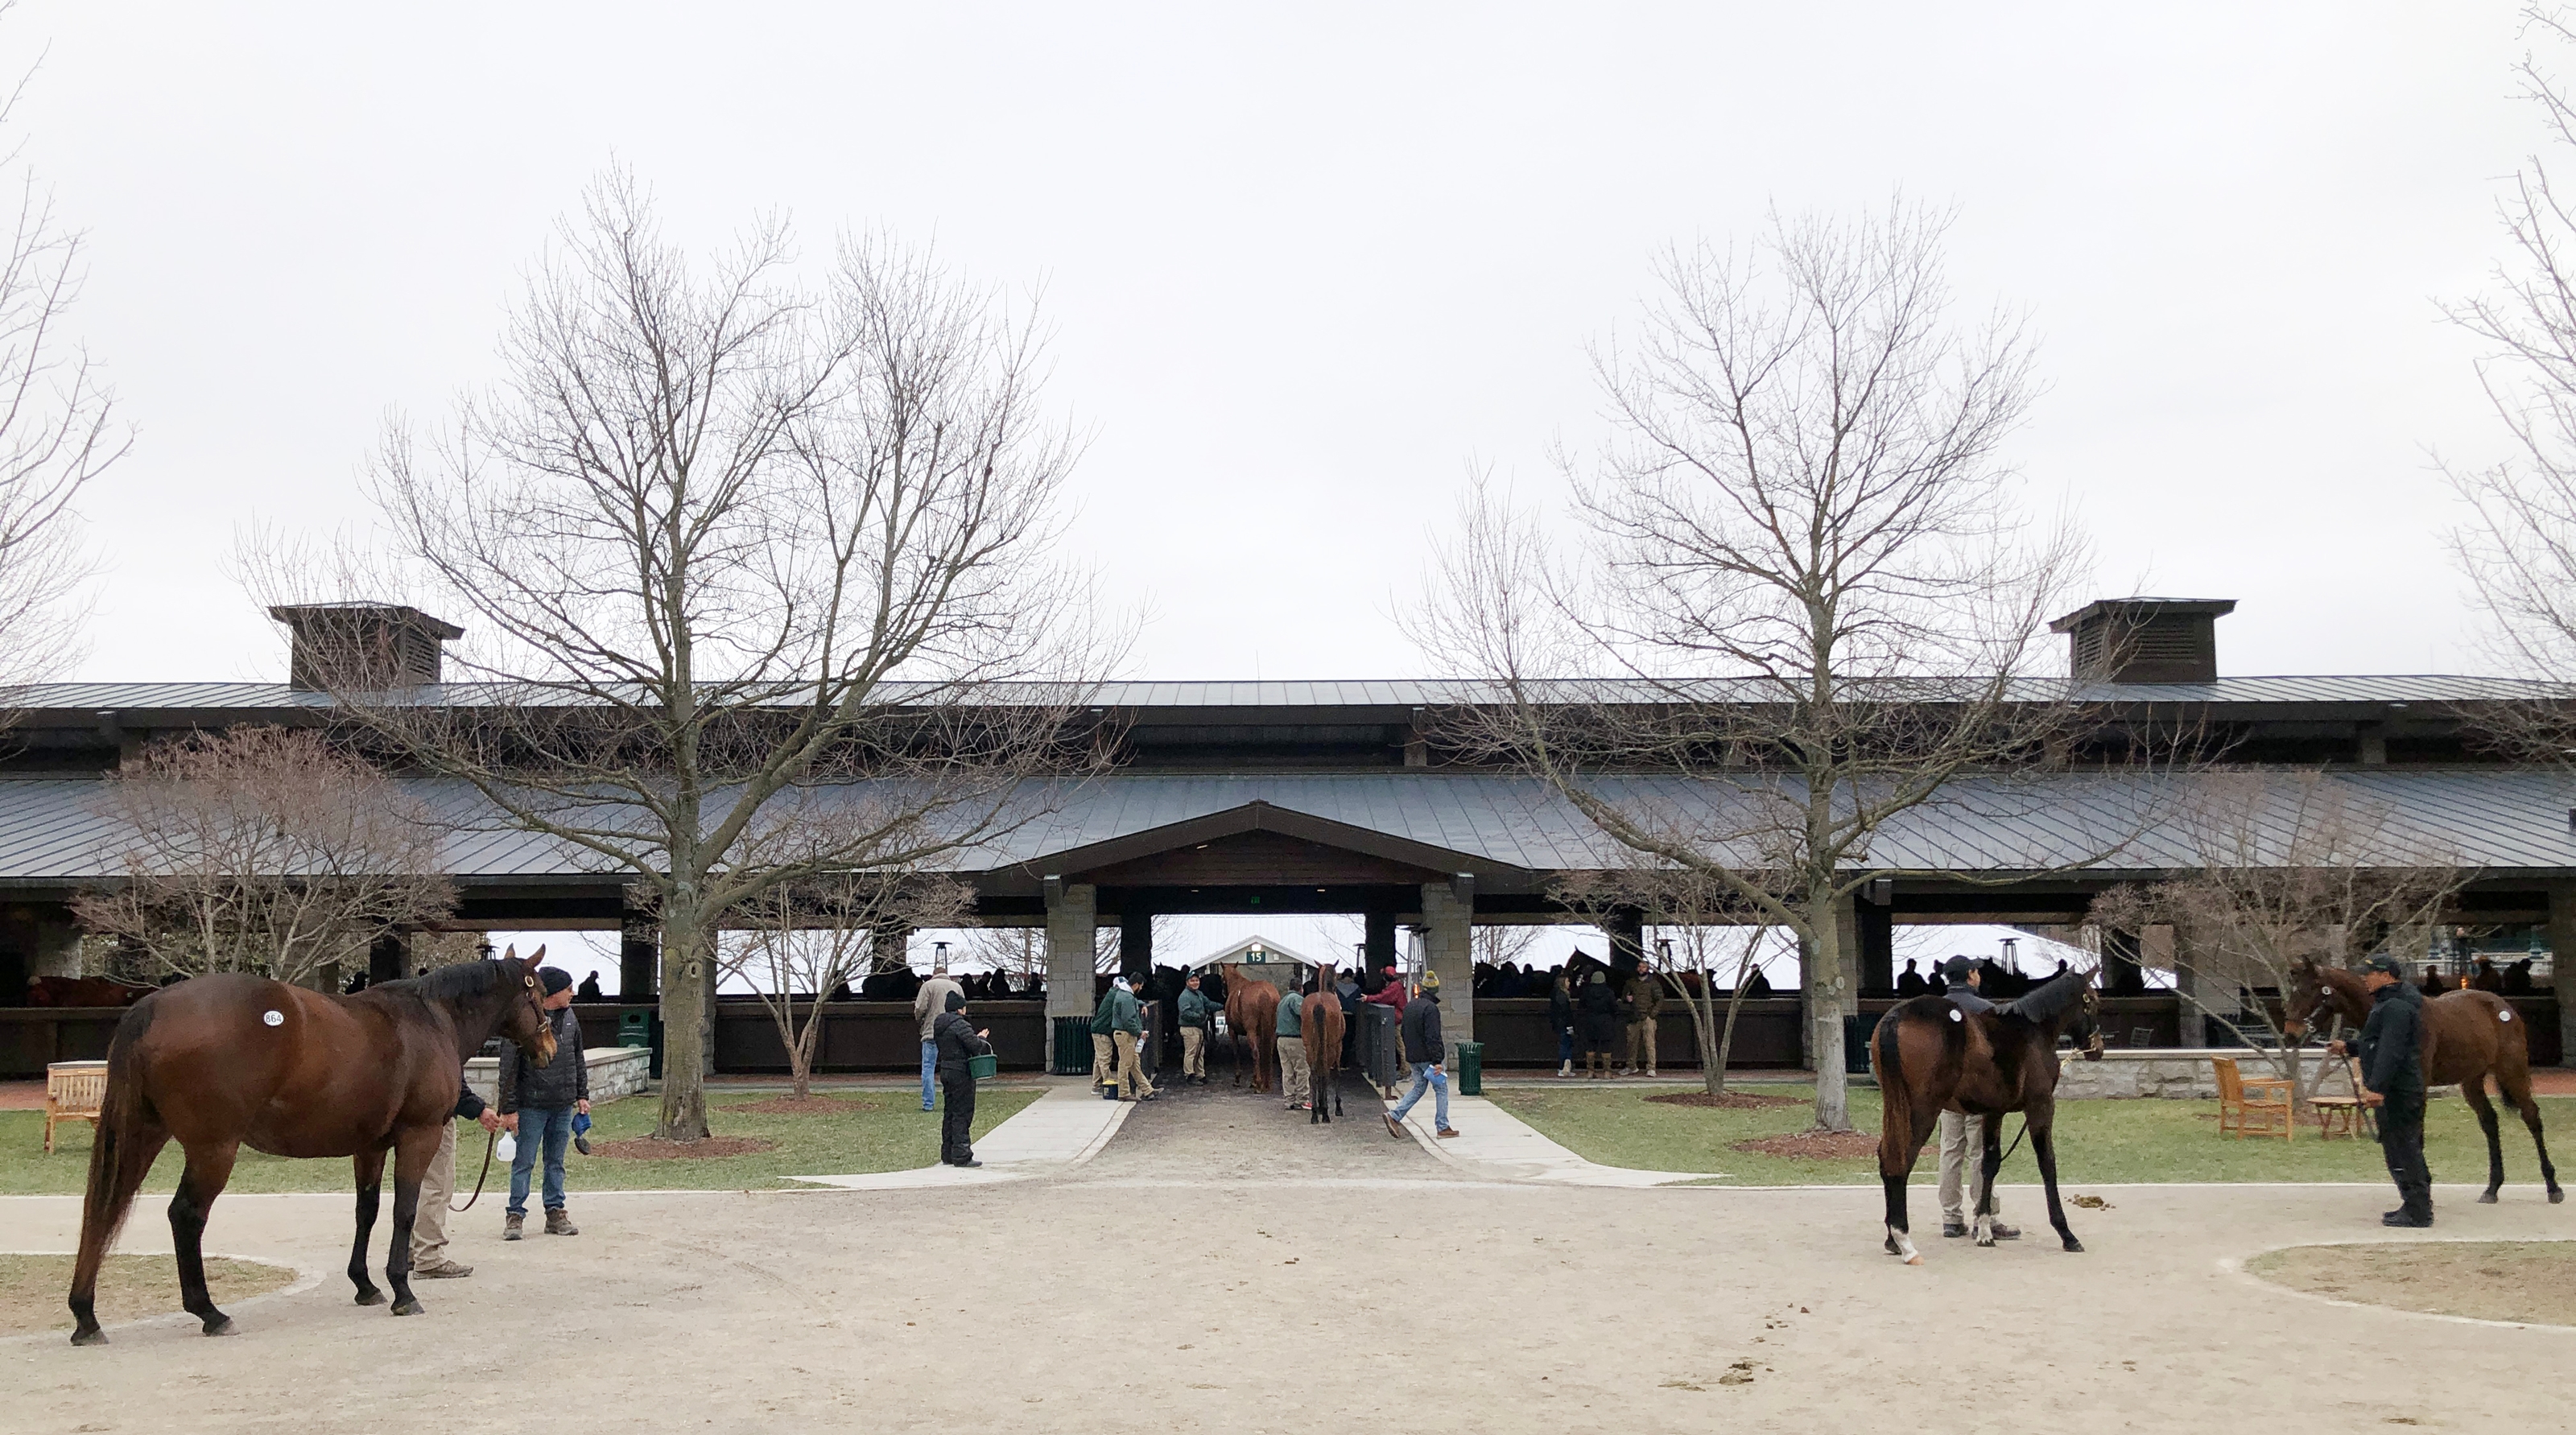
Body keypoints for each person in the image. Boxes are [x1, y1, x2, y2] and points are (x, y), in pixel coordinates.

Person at [2333, 953, 2432, 1227]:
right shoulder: (2389, 1004)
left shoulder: (2396, 1007)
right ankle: (2412, 1203)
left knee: (2404, 1148)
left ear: (2386, 975)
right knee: (2398, 1147)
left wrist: (2376, 1088)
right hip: (2397, 1089)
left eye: (2370, 973)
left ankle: (2419, 1210)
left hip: (2399, 1091)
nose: (2365, 978)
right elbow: (2377, 1043)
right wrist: (2350, 1047)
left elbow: (2391, 1050)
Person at [499, 967, 588, 1241]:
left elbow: (578, 1057)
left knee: (556, 1162)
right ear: (553, 991)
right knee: (524, 1162)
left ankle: (555, 1211)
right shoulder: (524, 1020)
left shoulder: (572, 1018)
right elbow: (508, 1069)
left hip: (562, 1105)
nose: (573, 993)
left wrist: (581, 1094)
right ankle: (515, 1215)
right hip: (531, 1105)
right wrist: (509, 1109)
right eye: (568, 988)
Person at [1934, 956, 2017, 1240]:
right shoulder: (1986, 1010)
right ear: (1970, 976)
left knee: (1950, 1151)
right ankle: (1987, 1214)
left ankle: (1950, 1217)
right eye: (1976, 971)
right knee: (1980, 1153)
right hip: (1980, 1091)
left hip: (1947, 1091)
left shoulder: (1938, 1011)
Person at [411, 1078, 504, 1279]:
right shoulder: (440, 1044)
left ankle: (410, 1251)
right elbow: (449, 1080)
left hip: (410, 1117)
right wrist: (478, 1109)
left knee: (414, 1185)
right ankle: (429, 1257)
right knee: (437, 1186)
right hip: (436, 1116)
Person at [1382, 970, 1458, 1138]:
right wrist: (1438, 1060)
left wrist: (1409, 1053)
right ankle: (1443, 1127)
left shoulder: (1410, 1006)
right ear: (1436, 990)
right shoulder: (1431, 1009)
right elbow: (1433, 1036)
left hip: (1413, 1057)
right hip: (1428, 1058)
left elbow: (1404, 1032)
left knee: (1418, 1088)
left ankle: (1394, 1116)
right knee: (1441, 1089)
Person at [931, 989, 993, 1167]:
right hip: (961, 1072)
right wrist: (980, 1038)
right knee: (963, 1112)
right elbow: (975, 1047)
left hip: (946, 1070)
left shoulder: (939, 1024)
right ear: (959, 1009)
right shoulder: (961, 1025)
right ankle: (962, 1154)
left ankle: (947, 1153)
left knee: (949, 1111)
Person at [913, 968, 963, 1113]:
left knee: (928, 1068)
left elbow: (920, 1008)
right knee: (955, 1067)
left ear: (934, 974)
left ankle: (928, 1103)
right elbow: (962, 1009)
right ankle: (954, 1101)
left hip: (931, 1032)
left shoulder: (927, 986)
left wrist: (921, 1022)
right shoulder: (957, 987)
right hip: (953, 1033)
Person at [1103, 973, 1155, 1101]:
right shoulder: (1127, 998)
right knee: (1125, 1064)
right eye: (1141, 986)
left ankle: (1148, 1090)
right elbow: (1128, 1020)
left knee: (1134, 1064)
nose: (1141, 989)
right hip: (1126, 1034)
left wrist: (1141, 1004)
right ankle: (1124, 1093)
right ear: (1136, 984)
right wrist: (1139, 1032)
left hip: (1124, 1034)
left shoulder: (1123, 995)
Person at [1577, 969, 1621, 1078]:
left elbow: (1581, 1006)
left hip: (1590, 1021)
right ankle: (1607, 1072)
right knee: (1606, 1047)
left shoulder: (1586, 992)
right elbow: (1614, 1008)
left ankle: (1590, 1071)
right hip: (1606, 1021)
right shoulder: (1609, 992)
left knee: (1591, 1046)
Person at [1276, 979, 1311, 1110]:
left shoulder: (1282, 1001)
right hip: (1295, 1039)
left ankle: (1289, 1100)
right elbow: (1303, 1014)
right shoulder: (1296, 999)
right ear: (1301, 988)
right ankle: (1302, 1099)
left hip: (1281, 1040)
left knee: (1287, 1072)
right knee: (1302, 1069)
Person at [1621, 968, 1662, 1078]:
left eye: (1643, 967)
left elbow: (1659, 999)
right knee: (1631, 1043)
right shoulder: (1631, 983)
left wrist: (1652, 1015)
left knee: (1649, 1044)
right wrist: (1626, 998)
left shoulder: (1653, 984)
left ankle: (1651, 1068)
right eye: (1639, 966)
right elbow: (1623, 996)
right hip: (1634, 1017)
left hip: (1648, 1018)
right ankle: (1631, 1066)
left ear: (1647, 969)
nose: (1640, 969)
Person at [1176, 971, 1215, 1085]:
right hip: (1189, 1028)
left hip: (1198, 1027)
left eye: (1197, 980)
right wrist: (1199, 1016)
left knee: (1200, 1052)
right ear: (1187, 982)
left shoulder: (1199, 994)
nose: (1195, 982)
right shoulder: (1185, 996)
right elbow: (1184, 1013)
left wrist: (1224, 1006)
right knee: (1191, 1052)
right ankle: (1189, 1075)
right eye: (1192, 980)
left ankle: (1200, 1074)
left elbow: (1209, 1004)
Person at [1550, 971, 1576, 1078]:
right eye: (1567, 981)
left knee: (1567, 1044)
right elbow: (1565, 1012)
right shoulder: (1562, 996)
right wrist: (1569, 1025)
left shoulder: (1558, 995)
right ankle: (1562, 1067)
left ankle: (1566, 1067)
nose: (1569, 983)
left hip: (1560, 1023)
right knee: (1565, 1045)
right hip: (1563, 1024)